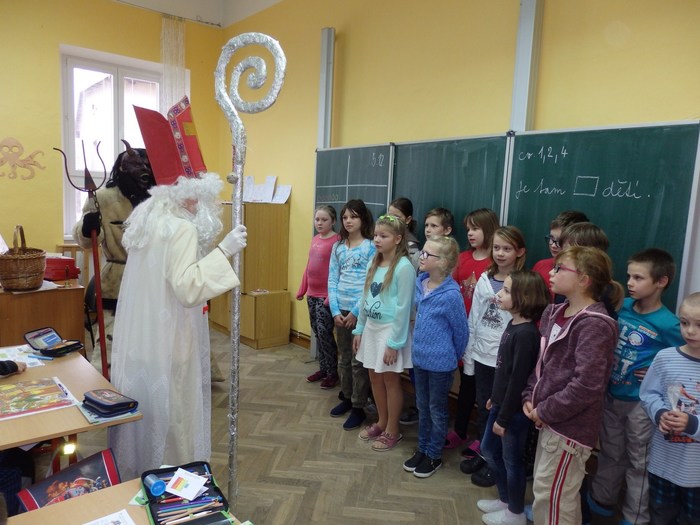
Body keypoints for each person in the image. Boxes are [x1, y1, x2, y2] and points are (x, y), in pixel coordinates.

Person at [108, 171, 247, 480]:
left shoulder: (149, 221)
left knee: (149, 408)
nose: (202, 206)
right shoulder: (182, 228)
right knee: (175, 412)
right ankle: (175, 479)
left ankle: (141, 473)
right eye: (201, 198)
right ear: (187, 195)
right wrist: (224, 250)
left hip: (143, 335)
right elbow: (187, 288)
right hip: (170, 336)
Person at [522, 246, 624, 525]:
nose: (551, 273)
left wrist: (546, 410)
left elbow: (587, 385)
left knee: (553, 498)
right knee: (550, 493)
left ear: (584, 280)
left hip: (569, 428)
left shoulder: (595, 324)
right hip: (547, 419)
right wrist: (530, 395)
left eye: (559, 269)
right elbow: (541, 363)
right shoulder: (553, 312)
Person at [588, 248, 684, 525]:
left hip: (641, 404)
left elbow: (685, 361)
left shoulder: (669, 324)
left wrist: (658, 373)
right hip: (612, 395)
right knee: (610, 452)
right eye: (629, 276)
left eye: (638, 278)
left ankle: (635, 517)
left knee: (639, 462)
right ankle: (601, 503)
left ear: (661, 281)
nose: (630, 283)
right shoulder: (624, 307)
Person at [477, 270, 550, 525]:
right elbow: (504, 371)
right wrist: (494, 398)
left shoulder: (527, 334)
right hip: (501, 404)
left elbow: (518, 380)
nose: (499, 294)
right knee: (488, 450)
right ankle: (505, 499)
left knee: (512, 461)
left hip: (513, 413)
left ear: (524, 298)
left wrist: (504, 417)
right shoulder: (513, 324)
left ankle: (515, 512)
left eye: (506, 291)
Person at [72, 143, 155, 364]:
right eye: (136, 165)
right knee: (113, 337)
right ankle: (105, 378)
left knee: (152, 336)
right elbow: (87, 241)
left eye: (147, 164)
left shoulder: (160, 199)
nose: (144, 169)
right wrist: (88, 227)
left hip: (154, 277)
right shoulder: (103, 198)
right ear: (122, 168)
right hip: (119, 278)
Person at [462, 225, 526, 488]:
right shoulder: (484, 279)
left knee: (499, 411)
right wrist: (469, 356)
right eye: (497, 248)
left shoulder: (522, 283)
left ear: (519, 252)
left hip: (504, 361)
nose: (500, 253)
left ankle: (494, 463)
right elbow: (474, 318)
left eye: (507, 249)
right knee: (483, 407)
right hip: (482, 355)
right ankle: (484, 453)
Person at [402, 235, 467, 477]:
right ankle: (422, 448)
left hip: (441, 365)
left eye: (428, 254)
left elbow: (461, 332)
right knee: (422, 406)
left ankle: (434, 454)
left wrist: (451, 357)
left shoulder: (451, 295)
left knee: (436, 410)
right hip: (419, 359)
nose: (422, 256)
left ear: (443, 262)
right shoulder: (420, 283)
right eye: (423, 252)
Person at [353, 214, 414, 451]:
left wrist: (394, 343)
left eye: (383, 236)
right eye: (376, 235)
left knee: (390, 380)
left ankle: (392, 429)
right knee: (374, 378)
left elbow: (403, 308)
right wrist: (359, 328)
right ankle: (381, 421)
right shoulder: (374, 261)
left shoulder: (404, 267)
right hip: (371, 329)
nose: (377, 239)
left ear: (398, 239)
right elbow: (365, 297)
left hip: (390, 332)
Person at [639, 292, 700, 525]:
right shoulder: (665, 357)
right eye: (684, 323)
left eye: (699, 325)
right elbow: (648, 394)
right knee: (661, 515)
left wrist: (692, 423)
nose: (690, 331)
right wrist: (660, 414)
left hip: (696, 474)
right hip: (663, 465)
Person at [446, 208, 499, 451]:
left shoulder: (496, 262)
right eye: (468, 229)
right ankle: (459, 430)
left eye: (475, 228)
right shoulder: (463, 258)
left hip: (486, 336)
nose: (470, 233)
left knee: (484, 390)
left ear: (489, 229)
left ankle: (482, 437)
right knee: (466, 384)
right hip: (463, 331)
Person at [399, 207, 455, 427]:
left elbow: (458, 330)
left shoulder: (448, 267)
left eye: (434, 225)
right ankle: (420, 411)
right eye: (427, 225)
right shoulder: (420, 261)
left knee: (435, 400)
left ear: (447, 230)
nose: (428, 230)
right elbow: (415, 292)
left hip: (439, 344)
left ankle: (435, 430)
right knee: (418, 377)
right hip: (417, 328)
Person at [328, 199, 375, 430]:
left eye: (353, 217)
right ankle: (346, 397)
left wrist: (357, 312)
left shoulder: (370, 247)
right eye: (345, 217)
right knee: (343, 358)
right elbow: (332, 279)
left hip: (360, 312)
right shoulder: (338, 247)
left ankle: (358, 406)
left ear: (363, 219)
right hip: (340, 310)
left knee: (358, 362)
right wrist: (335, 310)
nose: (348, 221)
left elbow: (370, 283)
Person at [297, 205, 340, 389]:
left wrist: (331, 295)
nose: (320, 223)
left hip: (325, 296)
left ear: (333, 221)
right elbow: (309, 266)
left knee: (324, 333)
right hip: (312, 294)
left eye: (324, 220)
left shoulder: (337, 241)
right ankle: (323, 368)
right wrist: (302, 289)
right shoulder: (315, 239)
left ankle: (332, 373)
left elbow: (338, 271)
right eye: (317, 219)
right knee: (317, 332)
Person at [531, 210, 588, 294]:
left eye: (560, 241)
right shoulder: (541, 266)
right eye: (551, 238)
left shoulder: (583, 276)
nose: (553, 245)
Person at [388, 197, 420, 268]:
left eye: (396, 217)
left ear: (408, 220)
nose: (391, 220)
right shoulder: (385, 237)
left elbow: (411, 270)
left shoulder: (411, 245)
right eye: (389, 216)